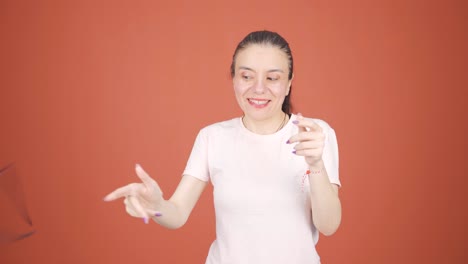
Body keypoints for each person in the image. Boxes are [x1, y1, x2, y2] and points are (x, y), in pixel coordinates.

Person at [104, 30, 341, 264]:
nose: (258, 88)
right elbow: (176, 213)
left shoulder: (313, 136)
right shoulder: (212, 137)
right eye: (247, 76)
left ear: (289, 83)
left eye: (272, 78)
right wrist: (156, 207)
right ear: (234, 80)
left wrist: (316, 165)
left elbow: (328, 225)